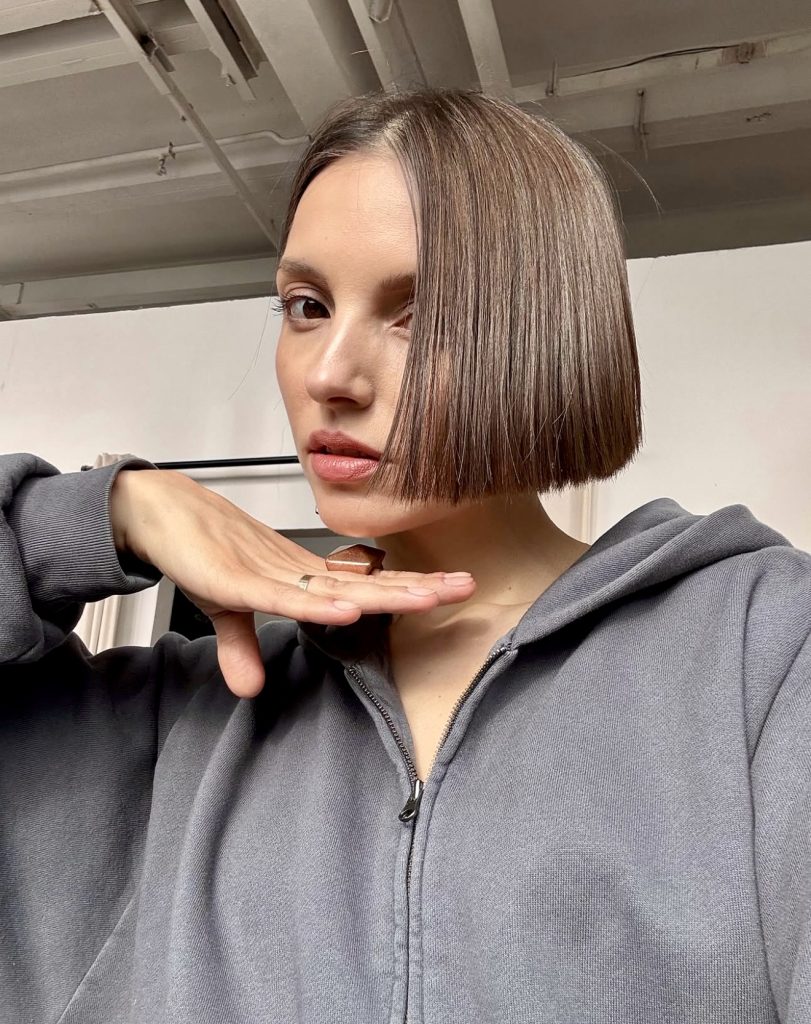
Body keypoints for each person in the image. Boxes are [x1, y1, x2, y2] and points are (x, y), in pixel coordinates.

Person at [1, 87, 809, 1024]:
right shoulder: (179, 722)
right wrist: (104, 512)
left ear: (549, 331)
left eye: (415, 315)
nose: (328, 374)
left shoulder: (763, 655)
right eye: (306, 306)